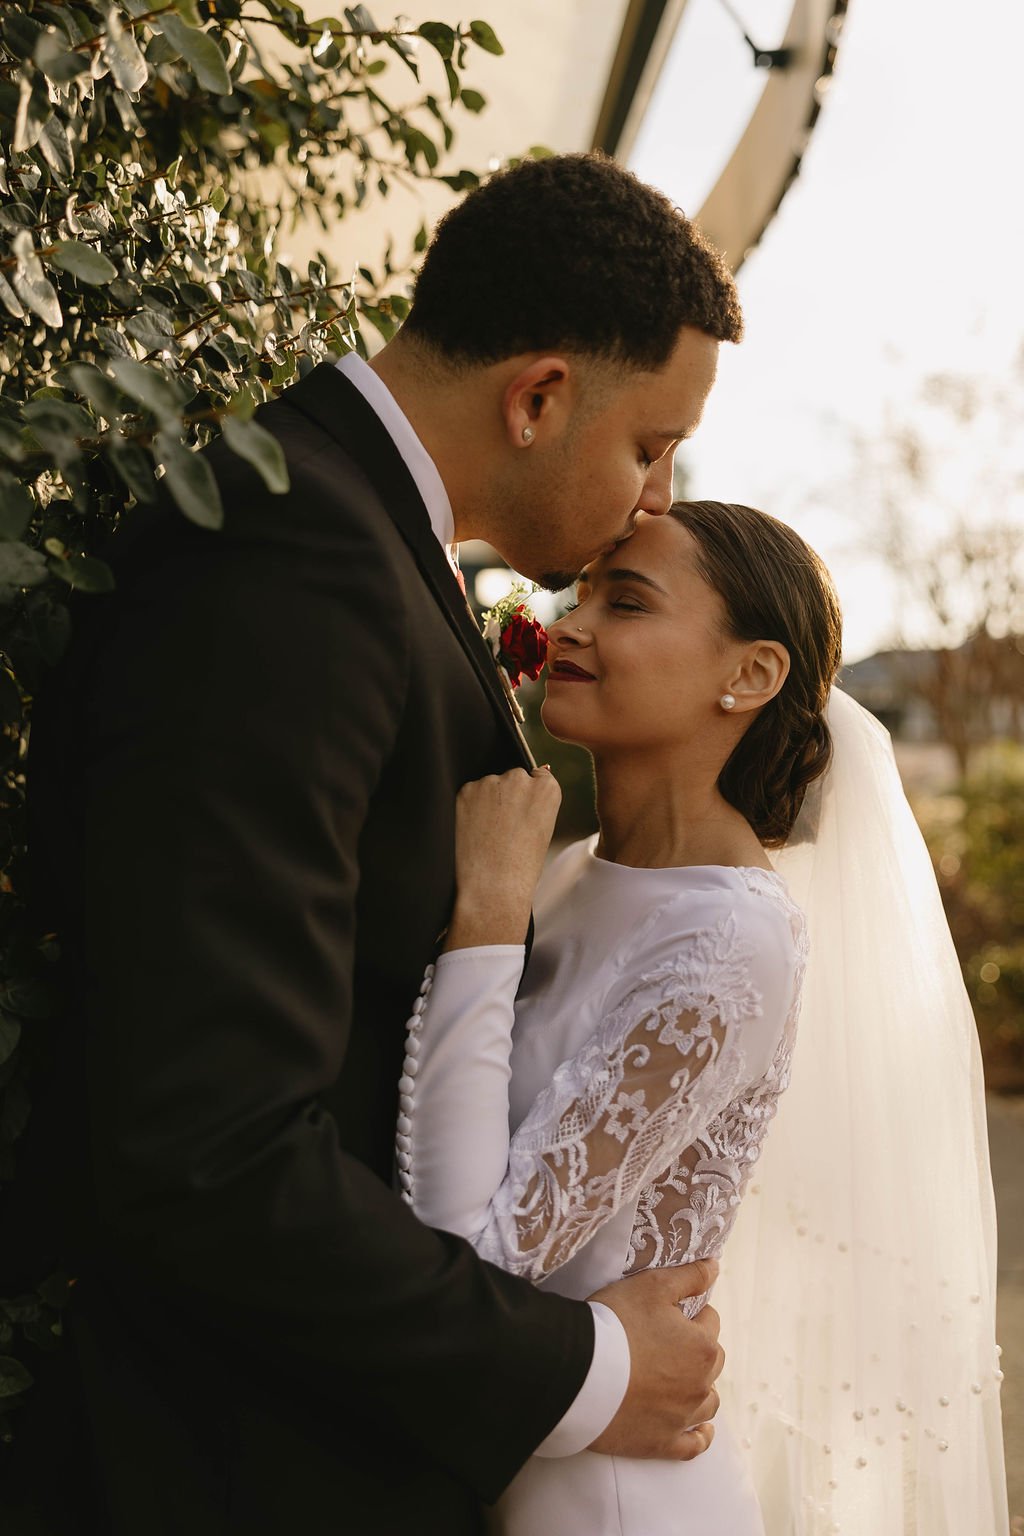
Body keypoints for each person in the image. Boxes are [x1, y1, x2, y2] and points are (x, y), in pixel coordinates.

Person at [5, 155, 743, 1534]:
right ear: (537, 397)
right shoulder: (295, 557)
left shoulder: (350, 535)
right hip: (222, 1470)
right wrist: (586, 1370)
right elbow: (210, 1146)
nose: (655, 497)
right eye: (649, 445)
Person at [400, 501, 1009, 1534]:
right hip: (509, 1464)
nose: (570, 622)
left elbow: (478, 1264)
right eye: (580, 591)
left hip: (607, 1499)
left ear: (750, 676)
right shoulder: (568, 870)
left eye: (625, 600)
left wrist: (488, 919)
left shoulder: (730, 938)